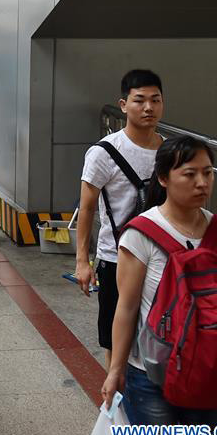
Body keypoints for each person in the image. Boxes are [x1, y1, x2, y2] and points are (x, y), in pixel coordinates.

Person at [102, 136, 217, 435]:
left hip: (209, 375)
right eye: (190, 174)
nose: (202, 183)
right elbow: (127, 307)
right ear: (163, 178)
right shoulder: (140, 234)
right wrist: (115, 370)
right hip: (151, 377)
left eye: (207, 173)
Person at [76, 70, 163, 369]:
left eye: (155, 100)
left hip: (162, 259)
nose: (148, 107)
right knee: (115, 336)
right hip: (117, 258)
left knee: (160, 331)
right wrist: (82, 262)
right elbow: (86, 209)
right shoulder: (104, 152)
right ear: (124, 105)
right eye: (140, 100)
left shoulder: (169, 151)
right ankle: (117, 398)